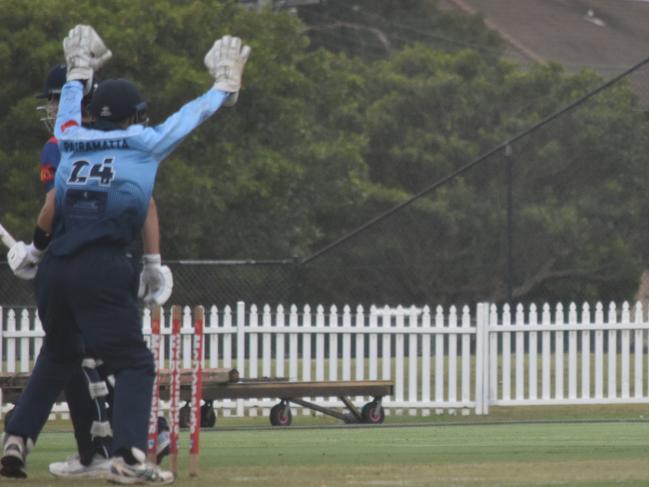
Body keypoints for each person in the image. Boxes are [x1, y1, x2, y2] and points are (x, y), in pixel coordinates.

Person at [1, 24, 250, 484]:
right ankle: (129, 457)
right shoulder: (145, 143)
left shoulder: (69, 135)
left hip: (57, 268)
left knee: (57, 353)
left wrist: (79, 67)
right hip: (103, 264)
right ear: (134, 117)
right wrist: (222, 85)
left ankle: (17, 437)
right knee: (134, 362)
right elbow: (190, 116)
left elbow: (71, 105)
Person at [30, 64, 173, 479]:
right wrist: (151, 261)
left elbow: (53, 210)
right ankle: (135, 440)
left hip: (72, 266)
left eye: (60, 98)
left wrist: (35, 251)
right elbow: (143, 204)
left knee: (85, 358)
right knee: (107, 358)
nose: (54, 107)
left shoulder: (64, 146)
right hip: (109, 267)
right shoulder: (120, 145)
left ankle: (103, 451)